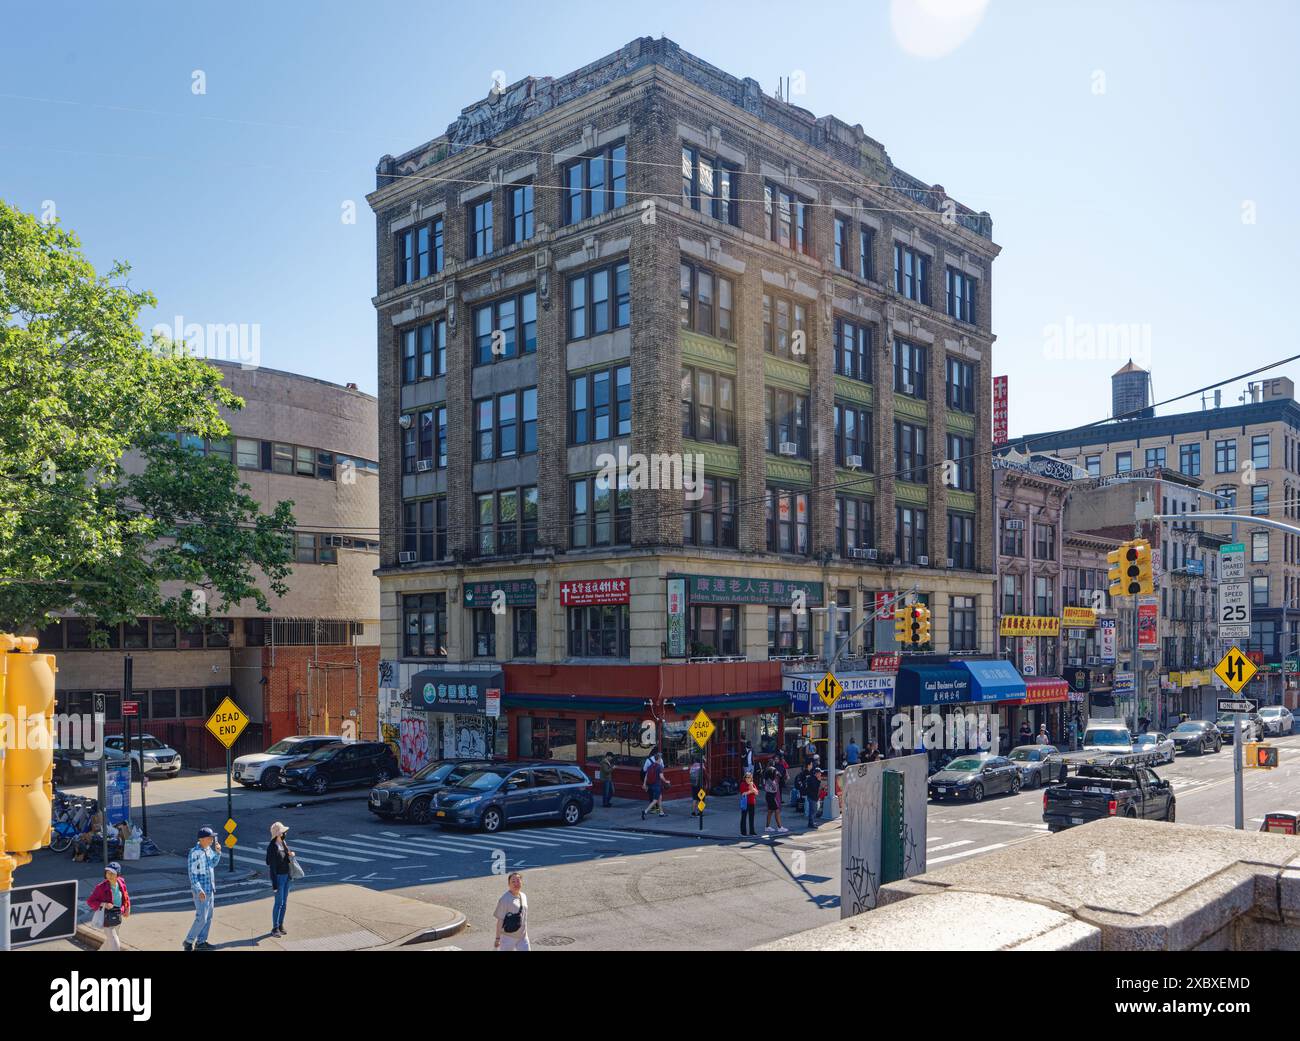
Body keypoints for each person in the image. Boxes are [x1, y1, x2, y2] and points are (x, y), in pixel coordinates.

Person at [184, 826, 222, 951]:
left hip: (210, 888)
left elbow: (213, 864)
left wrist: (218, 853)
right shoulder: (195, 853)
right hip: (201, 891)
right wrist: (199, 890)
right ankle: (188, 941)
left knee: (209, 917)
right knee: (202, 917)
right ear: (203, 839)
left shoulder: (208, 850)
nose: (212, 840)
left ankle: (201, 942)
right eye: (210, 838)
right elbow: (192, 875)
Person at [87, 861, 130, 951]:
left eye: (112, 873)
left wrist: (127, 908)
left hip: (118, 917)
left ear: (117, 874)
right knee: (115, 945)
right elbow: (90, 901)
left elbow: (126, 895)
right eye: (108, 873)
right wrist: (104, 904)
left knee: (110, 942)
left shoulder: (121, 882)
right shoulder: (101, 887)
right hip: (107, 919)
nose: (109, 875)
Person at [265, 821, 296, 938]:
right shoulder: (272, 847)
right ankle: (275, 927)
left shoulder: (283, 843)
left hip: (287, 876)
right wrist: (274, 885)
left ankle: (281, 925)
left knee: (284, 903)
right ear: (277, 834)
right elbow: (272, 867)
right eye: (283, 832)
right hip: (278, 877)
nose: (285, 833)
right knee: (278, 903)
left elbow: (286, 858)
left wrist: (291, 854)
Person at [493, 872, 529, 951]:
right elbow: (500, 920)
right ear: (509, 884)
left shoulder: (523, 896)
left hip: (523, 937)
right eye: (513, 881)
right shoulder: (505, 899)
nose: (516, 883)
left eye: (518, 881)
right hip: (508, 938)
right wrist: (497, 938)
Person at [641, 751, 668, 819]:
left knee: (659, 798)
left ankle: (661, 813)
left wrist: (644, 783)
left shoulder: (650, 766)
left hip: (651, 785)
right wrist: (666, 781)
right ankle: (645, 811)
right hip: (657, 785)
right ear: (658, 759)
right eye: (660, 758)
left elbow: (646, 775)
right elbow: (661, 777)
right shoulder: (659, 767)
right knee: (655, 800)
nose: (661, 759)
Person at [762, 766, 787, 834]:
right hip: (771, 796)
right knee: (777, 811)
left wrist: (778, 775)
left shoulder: (769, 778)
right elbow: (774, 788)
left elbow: (781, 778)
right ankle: (779, 827)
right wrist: (777, 777)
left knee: (770, 811)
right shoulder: (769, 780)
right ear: (771, 773)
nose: (776, 773)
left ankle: (767, 827)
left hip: (770, 796)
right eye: (774, 772)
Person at [738, 772, 758, 836]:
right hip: (745, 803)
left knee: (751, 818)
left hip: (752, 803)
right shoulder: (742, 784)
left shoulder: (752, 784)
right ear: (744, 778)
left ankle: (752, 831)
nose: (747, 778)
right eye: (746, 777)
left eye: (749, 777)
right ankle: (743, 833)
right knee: (743, 817)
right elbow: (743, 793)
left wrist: (751, 788)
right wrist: (751, 791)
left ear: (751, 778)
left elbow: (757, 793)